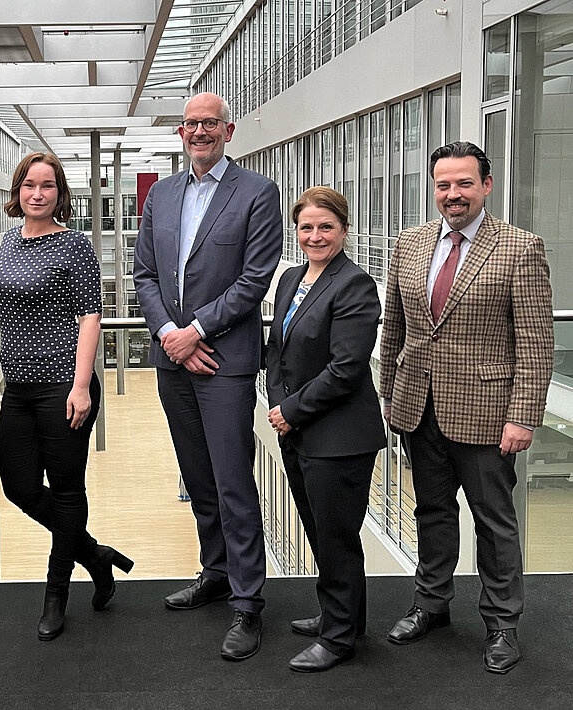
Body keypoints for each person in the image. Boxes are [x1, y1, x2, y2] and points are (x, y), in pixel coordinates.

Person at [380, 141, 553, 674]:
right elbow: (396, 329)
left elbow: (536, 341)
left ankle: (502, 623)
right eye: (442, 185)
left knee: (494, 523)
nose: (451, 194)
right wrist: (389, 396)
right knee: (431, 512)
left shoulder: (520, 247)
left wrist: (522, 416)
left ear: (486, 185)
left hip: (486, 412)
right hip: (419, 408)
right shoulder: (408, 246)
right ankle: (430, 603)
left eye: (462, 184)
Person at [0, 152, 132, 643]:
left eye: (47, 186)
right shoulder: (10, 240)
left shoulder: (75, 246)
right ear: (17, 191)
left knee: (68, 489)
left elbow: (89, 316)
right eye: (29, 184)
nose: (37, 193)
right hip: (19, 388)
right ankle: (94, 554)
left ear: (59, 194)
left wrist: (79, 385)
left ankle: (57, 592)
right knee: (20, 488)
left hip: (62, 387)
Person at [133, 92, 283, 661]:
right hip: (175, 359)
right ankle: (215, 571)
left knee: (233, 482)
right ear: (180, 132)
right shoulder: (163, 194)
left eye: (210, 124)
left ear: (228, 129)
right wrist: (173, 336)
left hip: (225, 360)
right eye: (191, 125)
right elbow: (144, 273)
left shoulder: (257, 193)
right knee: (197, 477)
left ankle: (248, 603)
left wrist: (194, 331)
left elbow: (253, 280)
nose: (200, 132)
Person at [265, 187, 385, 672]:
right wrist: (279, 405)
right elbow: (278, 351)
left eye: (325, 227)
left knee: (336, 537)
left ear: (344, 230)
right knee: (321, 531)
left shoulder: (355, 285)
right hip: (298, 430)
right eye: (306, 227)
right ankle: (345, 618)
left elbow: (347, 367)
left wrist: (292, 410)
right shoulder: (293, 278)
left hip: (339, 435)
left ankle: (337, 640)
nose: (314, 236)